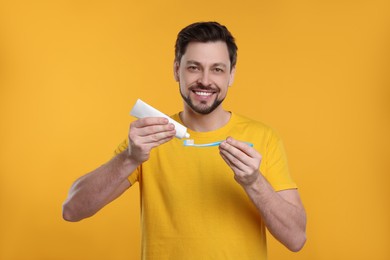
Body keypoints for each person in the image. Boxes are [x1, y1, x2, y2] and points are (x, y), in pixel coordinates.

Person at [62, 21, 306, 259]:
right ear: (176, 69)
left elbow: (296, 239)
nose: (205, 80)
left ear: (231, 75)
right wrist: (129, 158)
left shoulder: (263, 137)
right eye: (194, 67)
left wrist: (253, 182)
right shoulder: (149, 138)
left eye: (217, 69)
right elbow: (72, 209)